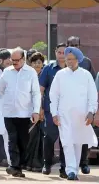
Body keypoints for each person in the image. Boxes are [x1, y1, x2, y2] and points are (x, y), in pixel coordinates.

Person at [49, 47, 98, 180]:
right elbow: (53, 95)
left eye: (71, 59)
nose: (69, 62)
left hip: (81, 116)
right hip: (64, 114)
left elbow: (92, 96)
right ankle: (70, 169)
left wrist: (91, 112)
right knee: (66, 141)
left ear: (78, 60)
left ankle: (73, 171)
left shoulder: (86, 75)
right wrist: (54, 113)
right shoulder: (60, 75)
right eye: (67, 59)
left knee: (78, 142)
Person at [0, 47, 41, 178]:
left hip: (25, 113)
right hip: (9, 113)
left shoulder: (31, 73)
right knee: (12, 140)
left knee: (23, 141)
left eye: (16, 60)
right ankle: (14, 165)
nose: (14, 63)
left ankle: (18, 167)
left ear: (23, 59)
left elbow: (36, 93)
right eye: (12, 60)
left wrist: (36, 111)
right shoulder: (7, 72)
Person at [66, 36, 96, 174]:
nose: (73, 46)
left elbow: (93, 87)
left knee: (83, 136)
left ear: (80, 46)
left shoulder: (87, 63)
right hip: (67, 108)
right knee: (68, 138)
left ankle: (83, 163)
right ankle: (68, 166)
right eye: (70, 44)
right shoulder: (64, 62)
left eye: (76, 44)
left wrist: (92, 107)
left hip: (84, 108)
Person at [39, 43, 67, 178]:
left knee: (65, 140)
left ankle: (64, 168)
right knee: (49, 138)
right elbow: (41, 90)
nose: (61, 55)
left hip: (67, 111)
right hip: (51, 111)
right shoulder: (48, 69)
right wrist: (40, 108)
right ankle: (47, 164)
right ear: (55, 52)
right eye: (59, 52)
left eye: (64, 52)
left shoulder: (72, 69)